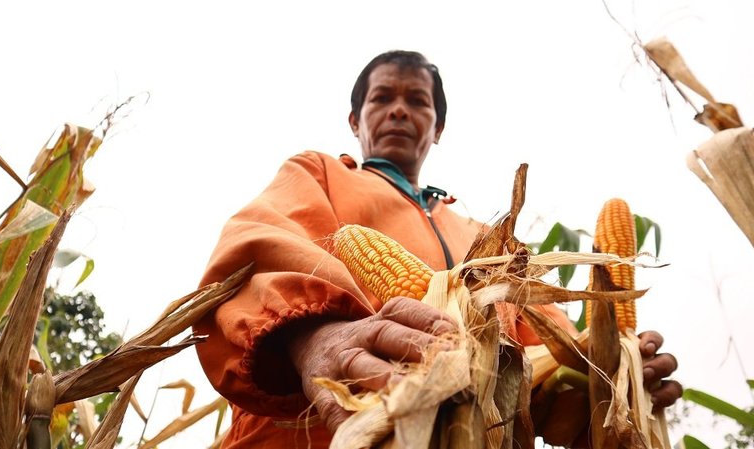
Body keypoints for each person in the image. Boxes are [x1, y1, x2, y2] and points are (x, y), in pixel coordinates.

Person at [193, 50, 682, 448]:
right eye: (382, 97)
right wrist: (313, 336)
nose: (399, 109)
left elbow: (541, 365)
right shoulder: (320, 175)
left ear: (437, 127)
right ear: (355, 119)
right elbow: (254, 249)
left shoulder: (486, 238)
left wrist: (607, 378)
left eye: (418, 101)